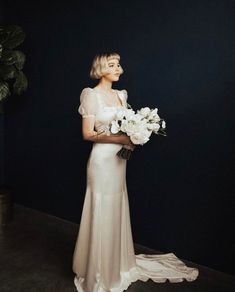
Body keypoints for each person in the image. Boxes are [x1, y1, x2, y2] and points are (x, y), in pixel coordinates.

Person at [72, 52, 199, 292]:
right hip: (101, 161)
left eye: (119, 64)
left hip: (119, 162)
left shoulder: (121, 95)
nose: (119, 68)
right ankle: (99, 272)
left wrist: (134, 136)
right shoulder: (91, 95)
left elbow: (126, 124)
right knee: (101, 206)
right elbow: (88, 134)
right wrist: (122, 137)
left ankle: (116, 265)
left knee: (117, 205)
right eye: (112, 65)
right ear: (100, 68)